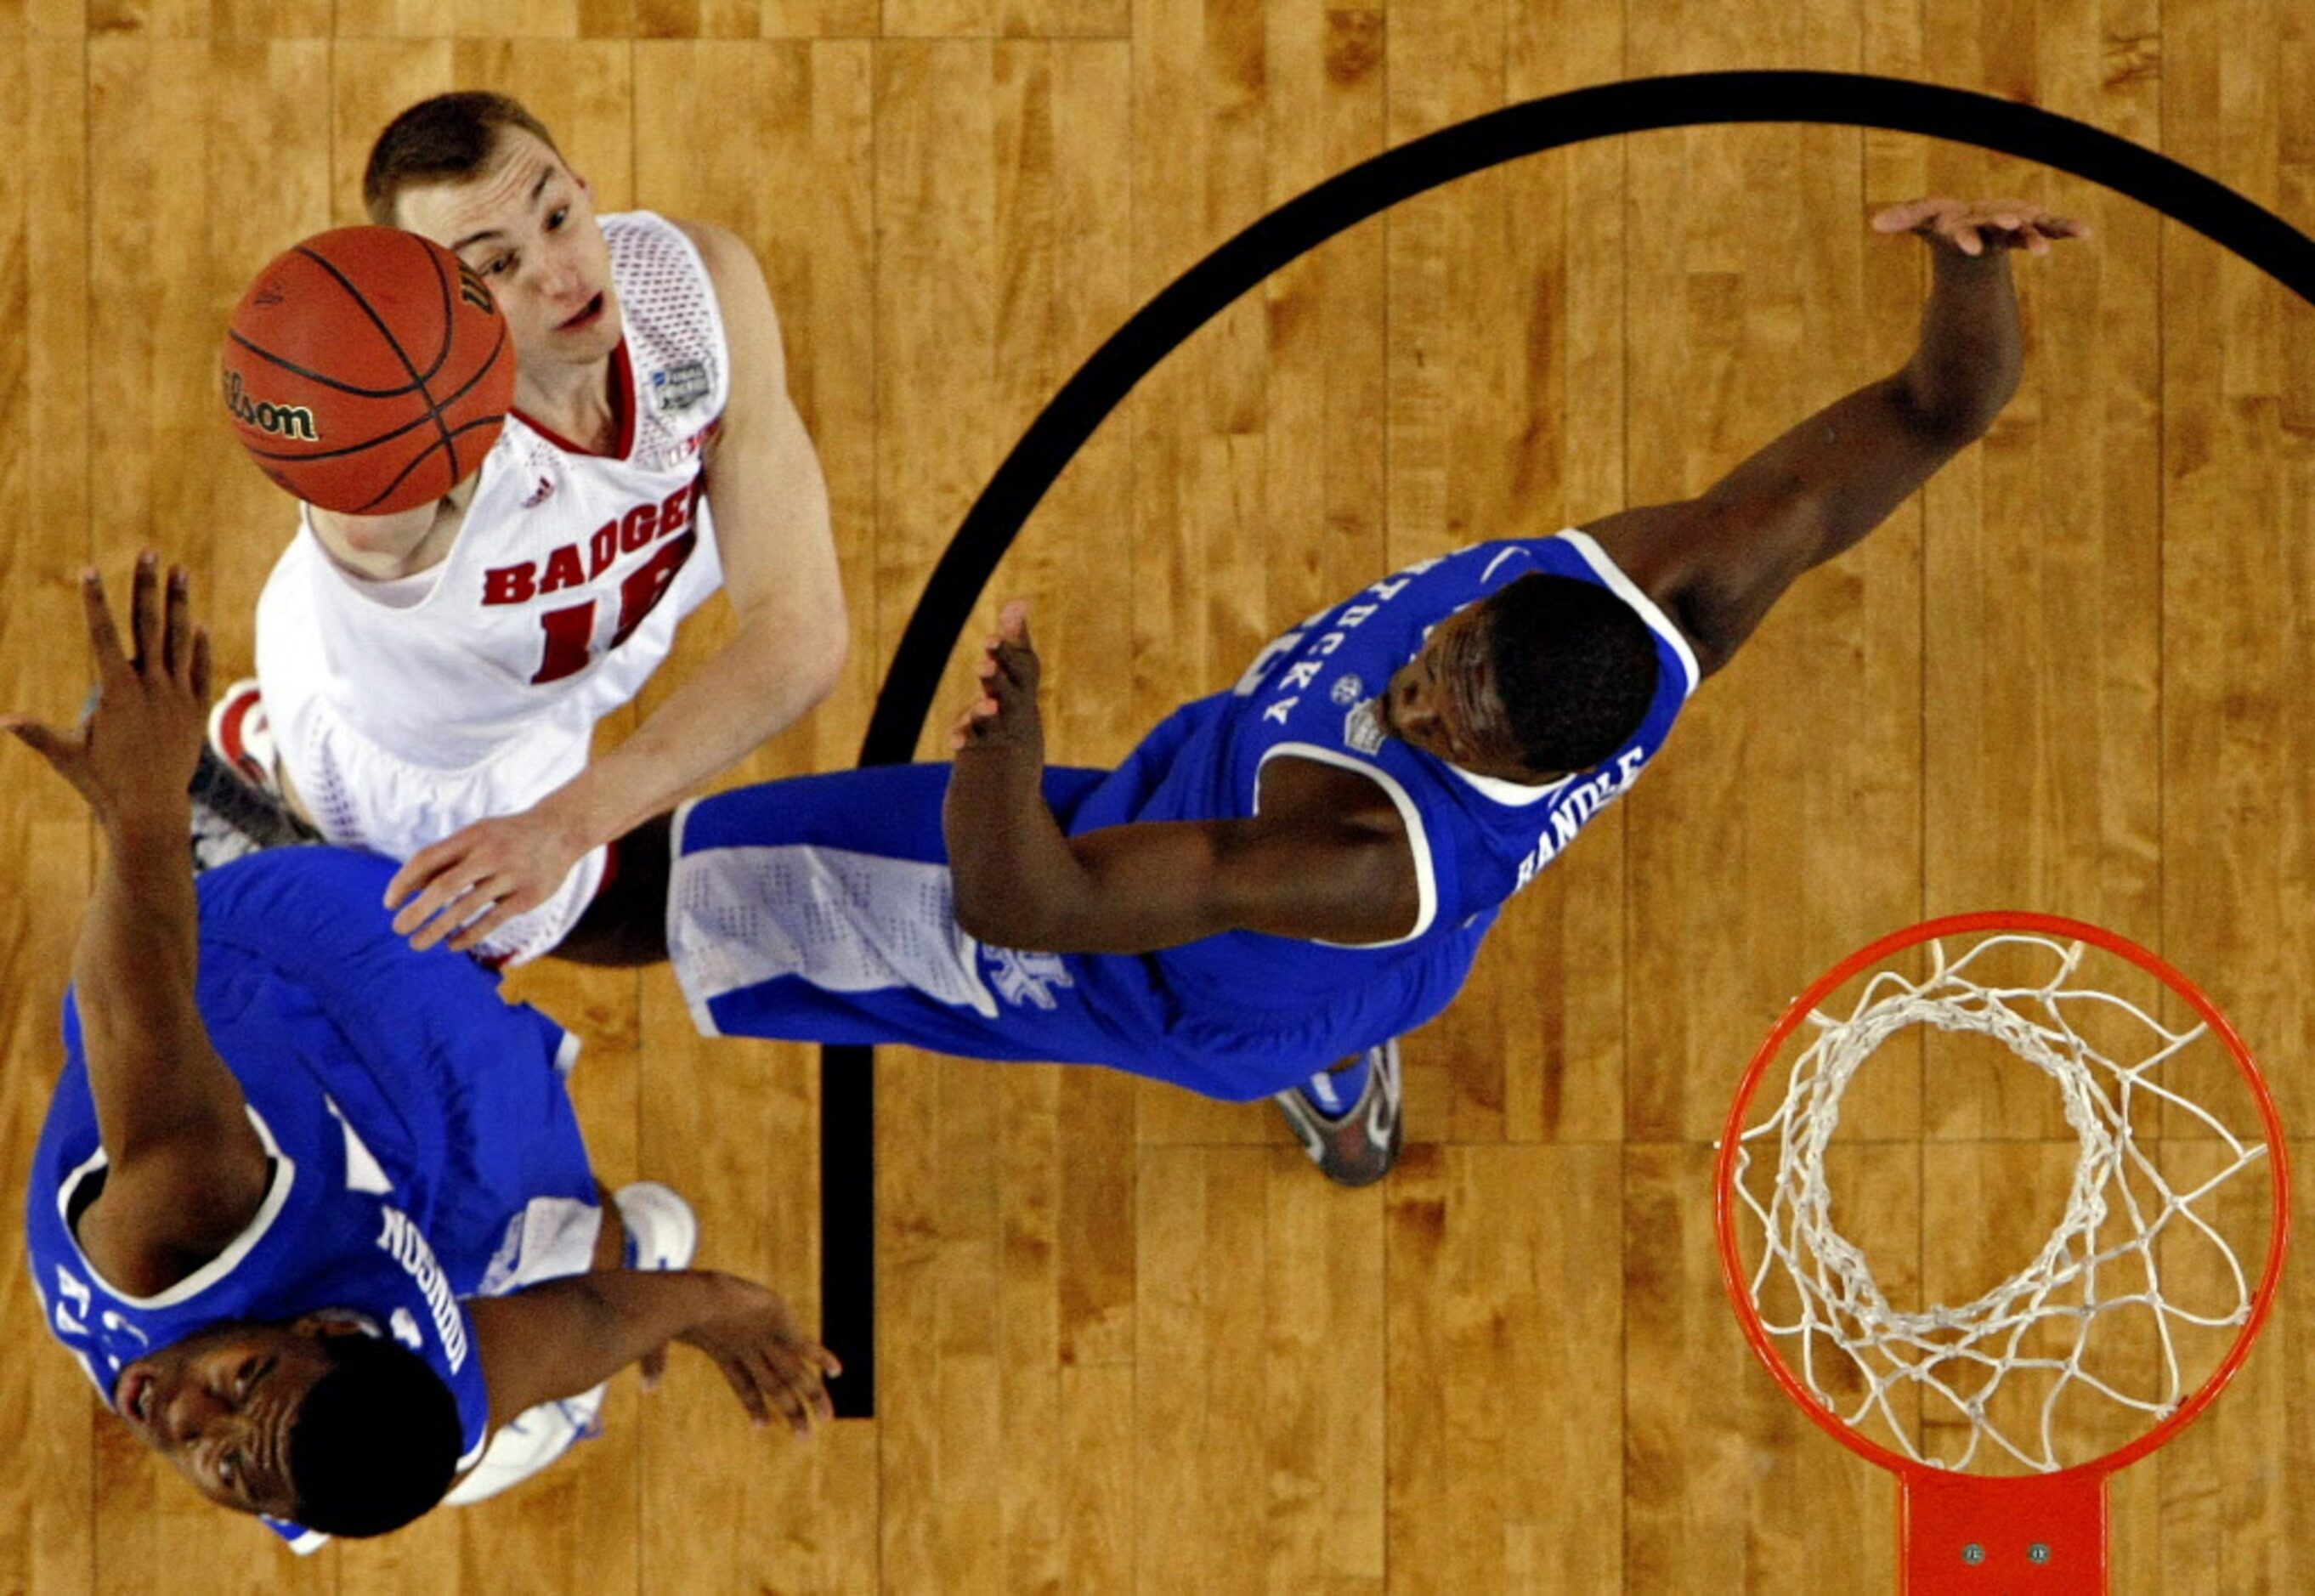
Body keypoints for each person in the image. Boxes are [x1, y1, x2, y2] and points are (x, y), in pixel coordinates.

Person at [530, 197, 2086, 1186]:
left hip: (1132, 943)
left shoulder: (1353, 841)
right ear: (1544, 592)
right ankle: (1327, 1067)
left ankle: (433, 889)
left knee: (710, 885)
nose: (1418, 681)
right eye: (1449, 649)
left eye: (1445, 715)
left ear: (1493, 763)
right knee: (1310, 994)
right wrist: (1972, 267)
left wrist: (1002, 744)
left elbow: (1034, 906)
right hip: (1349, 955)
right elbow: (1930, 408)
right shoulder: (1675, 585)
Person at [8, 558, 840, 1548]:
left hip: (339, 1106)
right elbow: (129, 1007)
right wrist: (139, 808)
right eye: (245, 1382)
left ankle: (280, 807)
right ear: (325, 1330)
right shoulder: (186, 1220)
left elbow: (579, 1330)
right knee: (578, 1265)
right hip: (331, 971)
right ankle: (259, 829)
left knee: (557, 1284)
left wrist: (707, 1309)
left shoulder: (408, 1399)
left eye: (225, 1466)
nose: (185, 1418)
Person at [211, 91, 847, 965]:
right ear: (434, 300)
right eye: (499, 266)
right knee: (532, 926)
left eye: (557, 215)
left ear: (584, 187)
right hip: (437, 747)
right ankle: (266, 763)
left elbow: (802, 635)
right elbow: (354, 492)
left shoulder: (696, 288)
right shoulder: (410, 470)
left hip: (584, 656)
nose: (562, 274)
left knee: (573, 851)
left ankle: (267, 736)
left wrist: (566, 825)